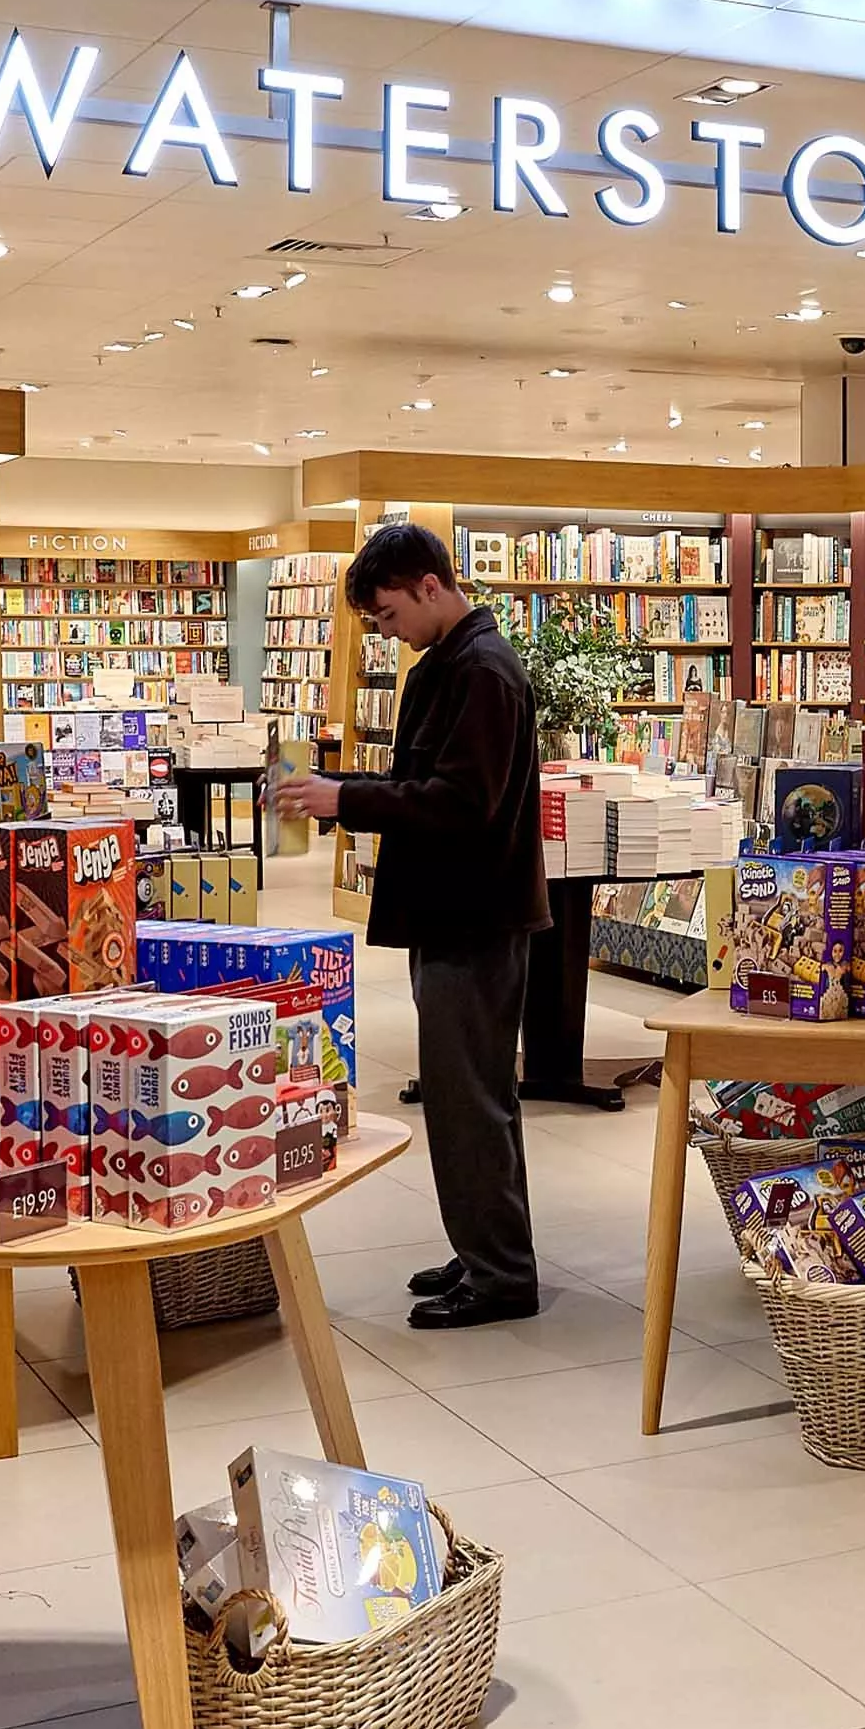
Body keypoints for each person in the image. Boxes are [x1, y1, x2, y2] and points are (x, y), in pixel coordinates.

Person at [278, 522, 551, 1329]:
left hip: (476, 914)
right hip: (454, 910)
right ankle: (484, 1250)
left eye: (390, 614)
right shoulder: (451, 665)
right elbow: (422, 780)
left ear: (430, 586)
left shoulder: (485, 673)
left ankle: (500, 1274)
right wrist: (342, 788)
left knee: (469, 1100)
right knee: (472, 1096)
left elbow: (464, 803)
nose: (388, 633)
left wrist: (347, 799)